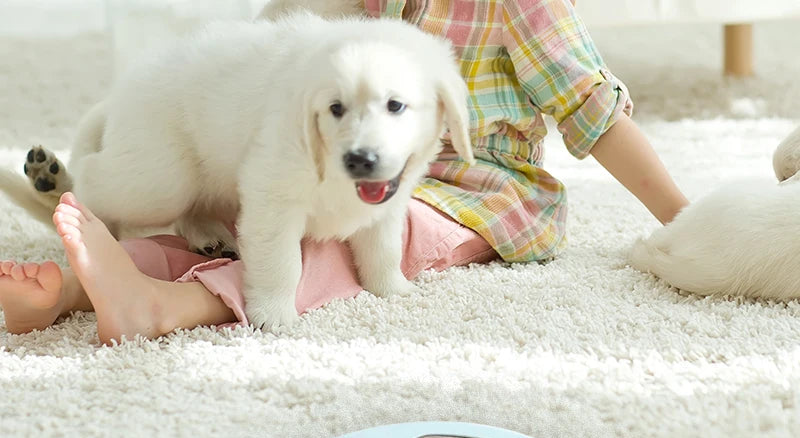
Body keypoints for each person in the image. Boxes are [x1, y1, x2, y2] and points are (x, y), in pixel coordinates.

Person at [0, 0, 687, 343]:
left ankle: (167, 305)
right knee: (237, 226)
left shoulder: (519, 6)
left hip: (480, 195)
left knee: (321, 253)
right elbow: (271, 65)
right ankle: (70, 283)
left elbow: (592, 113)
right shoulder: (363, 14)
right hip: (332, 172)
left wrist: (684, 224)